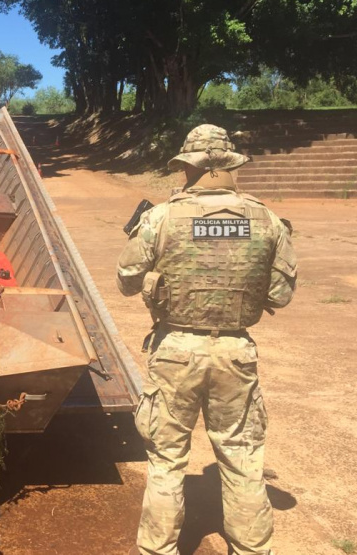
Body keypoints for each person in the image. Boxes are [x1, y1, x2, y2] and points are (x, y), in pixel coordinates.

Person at [118, 124, 297, 555]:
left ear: (188, 167)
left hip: (175, 351)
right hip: (236, 352)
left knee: (166, 462)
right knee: (242, 459)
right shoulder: (268, 220)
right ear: (231, 165)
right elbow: (280, 295)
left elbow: (126, 281)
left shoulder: (160, 217)